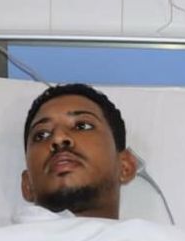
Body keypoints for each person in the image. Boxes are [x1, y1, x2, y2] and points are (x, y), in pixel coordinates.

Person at [21, 84, 137, 220]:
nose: (58, 138)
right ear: (27, 185)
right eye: (42, 135)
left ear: (125, 166)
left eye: (82, 126)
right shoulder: (1, 235)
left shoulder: (153, 234)